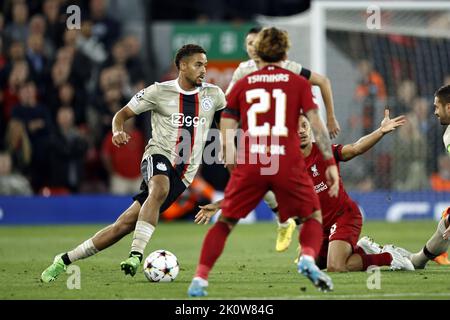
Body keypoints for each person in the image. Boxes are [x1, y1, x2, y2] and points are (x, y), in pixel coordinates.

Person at [40, 44, 226, 282]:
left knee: (123, 225)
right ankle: (136, 255)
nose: (204, 70)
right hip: (157, 156)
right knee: (160, 187)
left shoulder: (214, 95)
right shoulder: (158, 91)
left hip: (183, 175)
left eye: (205, 65)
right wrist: (117, 130)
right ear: (182, 65)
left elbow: (227, 127)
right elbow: (122, 114)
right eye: (198, 64)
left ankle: (64, 259)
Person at [187, 27, 340, 297]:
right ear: (284, 52)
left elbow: (227, 123)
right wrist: (328, 163)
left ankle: (200, 278)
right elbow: (316, 124)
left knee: (225, 223)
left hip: (253, 160)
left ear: (259, 51)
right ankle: (306, 258)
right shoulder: (298, 82)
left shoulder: (243, 82)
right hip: (287, 162)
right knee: (312, 216)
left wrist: (231, 159)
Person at [196, 110, 414, 273]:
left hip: (344, 216)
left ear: (310, 128)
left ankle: (387, 257)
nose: (300, 131)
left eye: (304, 126)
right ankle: (362, 249)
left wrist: (380, 131)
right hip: (320, 227)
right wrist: (216, 205)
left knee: (336, 267)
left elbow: (356, 148)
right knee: (308, 265)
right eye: (295, 127)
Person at [226, 26, 341, 253]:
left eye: (256, 42)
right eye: (249, 43)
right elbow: (228, 102)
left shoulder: (288, 67)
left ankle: (322, 231)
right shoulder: (243, 71)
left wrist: (330, 116)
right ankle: (287, 220)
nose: (253, 47)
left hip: (288, 133)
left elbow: (323, 81)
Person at [360, 85, 450, 268]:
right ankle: (417, 261)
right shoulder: (447, 134)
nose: (434, 112)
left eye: (436, 106)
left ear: (448, 107)